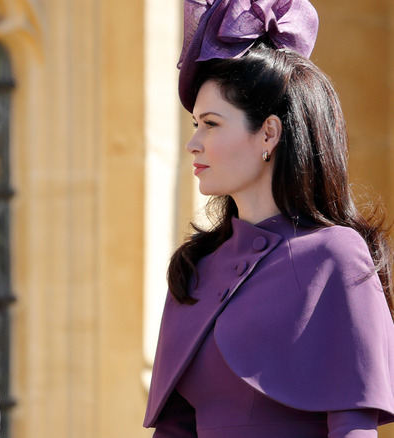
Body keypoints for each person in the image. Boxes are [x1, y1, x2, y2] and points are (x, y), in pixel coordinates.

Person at [144, 0, 394, 436]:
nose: (194, 144)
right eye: (194, 125)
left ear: (269, 133)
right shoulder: (194, 270)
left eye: (211, 123)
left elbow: (354, 428)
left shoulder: (336, 255)